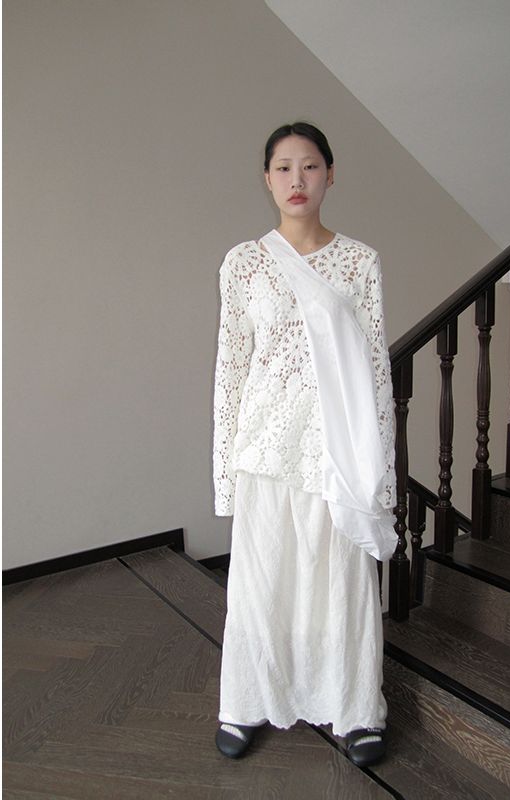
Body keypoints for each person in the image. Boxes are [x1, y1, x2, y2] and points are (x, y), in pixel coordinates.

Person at [212, 122, 397, 767]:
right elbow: (231, 370)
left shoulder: (359, 262)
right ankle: (246, 701)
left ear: (330, 174)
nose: (298, 180)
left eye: (310, 166)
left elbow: (375, 371)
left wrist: (380, 468)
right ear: (267, 178)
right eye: (284, 167)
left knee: (339, 582)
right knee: (262, 582)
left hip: (335, 452)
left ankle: (355, 707)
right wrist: (224, 470)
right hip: (265, 449)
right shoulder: (244, 263)